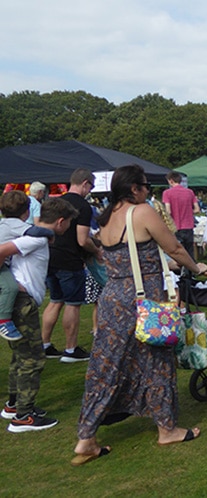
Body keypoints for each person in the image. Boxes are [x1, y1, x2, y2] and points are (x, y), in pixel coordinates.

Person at [72, 165, 207, 466]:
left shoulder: (107, 217)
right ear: (134, 188)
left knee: (105, 366)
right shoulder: (142, 211)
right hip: (143, 299)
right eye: (146, 186)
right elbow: (172, 246)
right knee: (157, 360)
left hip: (113, 299)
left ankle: (86, 438)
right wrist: (196, 267)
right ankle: (167, 429)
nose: (148, 191)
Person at [0, 194, 78, 432]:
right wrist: (15, 283)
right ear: (61, 221)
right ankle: (23, 416)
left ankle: (14, 405)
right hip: (22, 303)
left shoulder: (33, 234)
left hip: (20, 300)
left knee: (20, 355)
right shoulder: (34, 239)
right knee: (32, 359)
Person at [41, 168, 101, 363]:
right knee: (72, 304)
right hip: (70, 259)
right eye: (90, 187)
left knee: (55, 301)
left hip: (50, 256)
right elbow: (83, 240)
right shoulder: (83, 206)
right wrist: (97, 251)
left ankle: (45, 345)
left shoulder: (54, 202)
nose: (89, 191)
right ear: (85, 183)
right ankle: (70, 350)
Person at [0, 193, 56, 342]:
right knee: (10, 287)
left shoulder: (3, 223)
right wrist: (50, 234)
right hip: (1, 266)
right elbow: (34, 231)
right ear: (27, 211)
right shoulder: (14, 224)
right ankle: (3, 320)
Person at [162, 171, 199, 260]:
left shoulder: (167, 193)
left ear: (171, 181)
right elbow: (197, 209)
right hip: (189, 226)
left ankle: (181, 272)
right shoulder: (190, 192)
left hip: (176, 226)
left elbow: (168, 211)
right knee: (190, 252)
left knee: (178, 253)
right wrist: (189, 212)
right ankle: (191, 271)